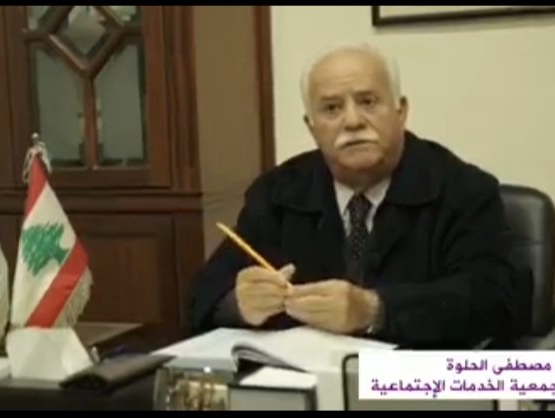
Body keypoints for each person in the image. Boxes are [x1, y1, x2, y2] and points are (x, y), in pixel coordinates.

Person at [189, 43, 531, 349]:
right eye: (331, 108)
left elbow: (497, 300)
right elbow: (202, 294)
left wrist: (374, 310)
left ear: (400, 111)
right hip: (309, 383)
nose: (352, 121)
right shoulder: (276, 193)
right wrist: (238, 304)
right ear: (311, 127)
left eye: (368, 102)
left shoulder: (464, 189)